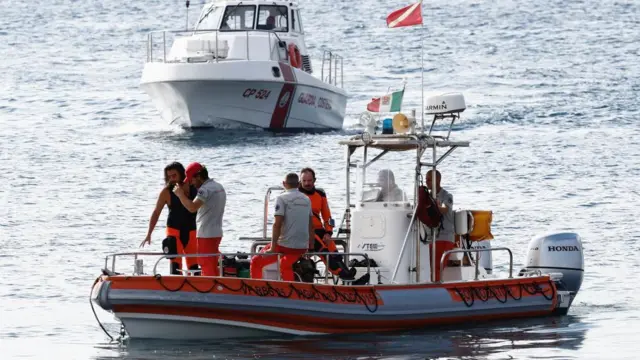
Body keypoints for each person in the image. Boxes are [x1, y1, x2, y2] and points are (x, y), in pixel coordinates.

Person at [251, 173, 314, 282]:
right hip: (302, 246)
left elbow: (277, 224)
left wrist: (272, 248)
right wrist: (310, 247)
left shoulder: (281, 198)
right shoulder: (307, 199)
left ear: (284, 184)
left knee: (255, 262)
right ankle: (290, 290)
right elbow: (311, 225)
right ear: (299, 184)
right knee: (284, 264)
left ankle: (256, 289)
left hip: (285, 245)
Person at [140, 162, 198, 275]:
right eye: (169, 176)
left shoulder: (193, 188)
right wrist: (149, 234)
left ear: (182, 174)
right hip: (174, 232)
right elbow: (156, 212)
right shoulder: (166, 192)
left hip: (192, 231)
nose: (172, 179)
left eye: (174, 175)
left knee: (194, 267)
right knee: (175, 267)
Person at [298, 168, 356, 279]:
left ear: (314, 180)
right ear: (300, 181)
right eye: (304, 181)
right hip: (305, 232)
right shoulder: (296, 195)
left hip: (319, 230)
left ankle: (347, 272)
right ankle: (342, 274)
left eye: (309, 180)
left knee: (333, 249)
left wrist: (328, 232)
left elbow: (327, 216)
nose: (307, 183)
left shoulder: (320, 195)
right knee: (324, 250)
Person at [173, 162, 226, 277]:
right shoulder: (218, 186)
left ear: (198, 176)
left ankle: (210, 290)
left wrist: (180, 195)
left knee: (206, 265)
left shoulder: (204, 190)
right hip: (217, 232)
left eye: (191, 180)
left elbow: (192, 207)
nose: (191, 183)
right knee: (212, 264)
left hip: (206, 234)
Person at [424, 169, 455, 282]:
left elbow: (445, 209)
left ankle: (435, 286)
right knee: (429, 265)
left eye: (429, 179)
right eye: (426, 179)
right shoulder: (427, 197)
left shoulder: (447, 196)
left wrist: (433, 206)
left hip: (444, 236)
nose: (426, 182)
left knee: (436, 265)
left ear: (437, 180)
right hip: (431, 237)